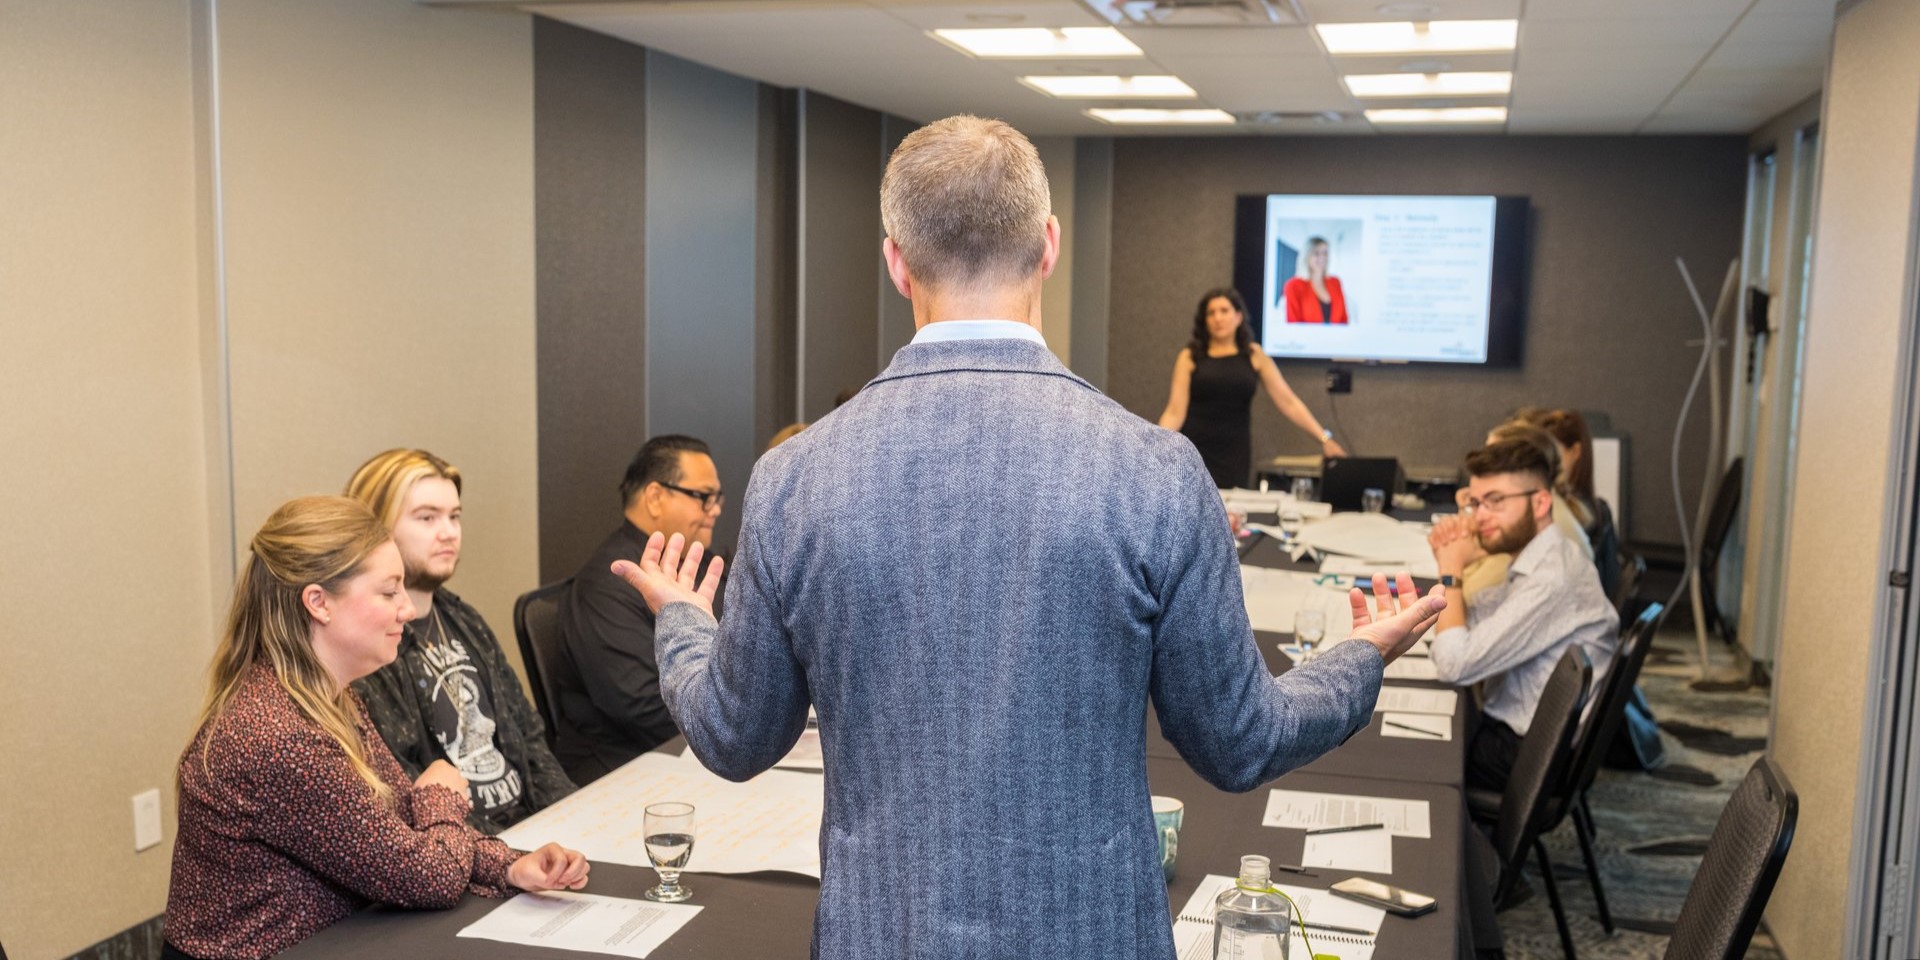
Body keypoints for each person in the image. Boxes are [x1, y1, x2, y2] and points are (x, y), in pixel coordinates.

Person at [611, 114, 1446, 959]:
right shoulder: (1156, 468)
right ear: (1049, 244)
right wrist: (1361, 655)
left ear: (895, 258)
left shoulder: (795, 477)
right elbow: (1241, 742)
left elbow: (733, 735)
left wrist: (683, 617)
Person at [164, 497, 587, 960]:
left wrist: (510, 866)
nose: (407, 609)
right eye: (389, 592)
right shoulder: (280, 737)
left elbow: (400, 825)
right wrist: (440, 795)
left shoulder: (330, 697)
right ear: (319, 603)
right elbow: (431, 875)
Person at [343, 449, 576, 834]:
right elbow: (401, 791)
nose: (449, 532)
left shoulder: (462, 618)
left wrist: (573, 815)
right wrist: (503, 859)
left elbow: (528, 735)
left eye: (454, 516)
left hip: (532, 830)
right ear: (376, 528)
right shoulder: (369, 649)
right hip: (469, 850)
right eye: (427, 517)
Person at [1426, 439, 1619, 793]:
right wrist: (1463, 561)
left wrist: (1450, 571)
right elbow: (1481, 617)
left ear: (1541, 502)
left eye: (1496, 501)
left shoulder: (1553, 578)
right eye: (1476, 503)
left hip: (1527, 757)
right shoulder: (1542, 556)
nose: (1481, 516)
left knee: (1412, 753)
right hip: (1524, 737)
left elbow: (1454, 665)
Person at [548, 434, 723, 784]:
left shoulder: (698, 565)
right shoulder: (610, 582)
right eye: (703, 497)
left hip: (689, 756)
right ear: (655, 497)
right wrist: (732, 721)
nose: (715, 509)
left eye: (717, 498)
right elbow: (643, 708)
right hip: (624, 773)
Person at [1157, 286, 1346, 488]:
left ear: (1238, 317)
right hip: (1194, 448)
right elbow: (1175, 412)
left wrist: (1325, 439)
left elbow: (1289, 402)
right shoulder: (1190, 357)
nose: (1217, 318)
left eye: (1224, 311)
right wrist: (1154, 446)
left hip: (1234, 451)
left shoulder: (1254, 355)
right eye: (1211, 313)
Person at [1282, 236, 1348, 324]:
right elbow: (1293, 325)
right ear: (1307, 257)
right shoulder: (1293, 286)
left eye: (1325, 253)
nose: (1322, 257)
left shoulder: (1336, 282)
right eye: (1316, 253)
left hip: (1336, 337)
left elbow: (1344, 320)